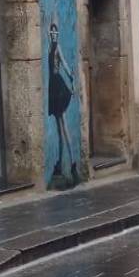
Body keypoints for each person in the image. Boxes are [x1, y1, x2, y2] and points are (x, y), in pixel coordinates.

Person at [47, 20, 80, 188]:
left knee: (64, 127)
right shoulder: (49, 47)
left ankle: (73, 162)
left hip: (59, 87)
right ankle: (60, 162)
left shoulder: (57, 47)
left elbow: (66, 65)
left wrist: (72, 81)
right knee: (60, 130)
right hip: (53, 87)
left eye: (55, 32)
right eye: (51, 32)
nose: (53, 35)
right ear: (49, 33)